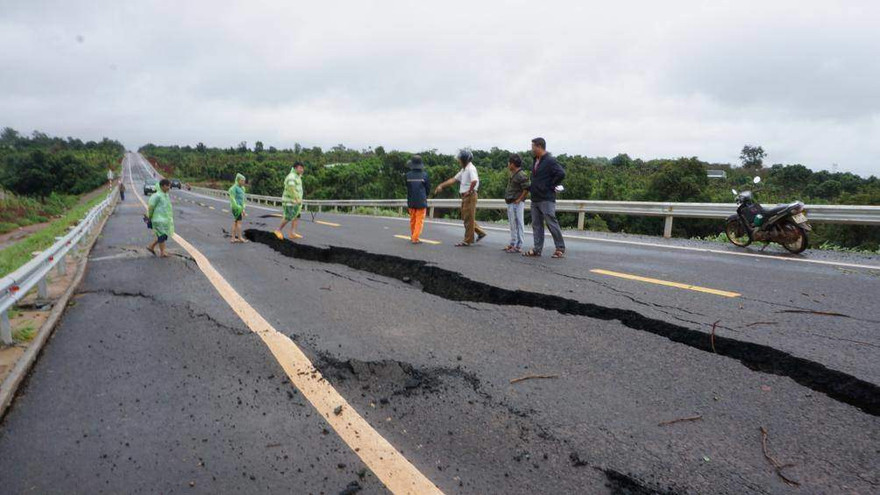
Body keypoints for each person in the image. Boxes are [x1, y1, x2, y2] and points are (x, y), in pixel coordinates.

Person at [523, 137, 566, 258]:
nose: (531, 149)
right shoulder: (536, 160)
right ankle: (537, 249)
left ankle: (560, 248)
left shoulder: (550, 160)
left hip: (546, 197)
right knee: (536, 225)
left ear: (539, 147)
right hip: (535, 197)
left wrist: (550, 185)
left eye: (533, 147)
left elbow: (561, 173)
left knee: (551, 223)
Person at [434, 149, 487, 246]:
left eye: (460, 159)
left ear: (464, 160)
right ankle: (480, 233)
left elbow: (474, 181)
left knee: (468, 218)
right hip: (466, 196)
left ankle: (467, 240)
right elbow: (453, 179)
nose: (458, 161)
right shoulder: (464, 169)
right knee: (466, 217)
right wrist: (441, 185)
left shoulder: (471, 169)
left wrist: (469, 191)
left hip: (470, 196)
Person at [504, 154, 530, 253]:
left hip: (516, 203)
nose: (508, 165)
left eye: (509, 163)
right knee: (512, 224)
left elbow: (527, 188)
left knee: (518, 223)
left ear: (513, 164)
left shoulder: (521, 174)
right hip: (511, 202)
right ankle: (512, 243)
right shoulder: (513, 173)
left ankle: (518, 245)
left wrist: (520, 199)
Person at [274, 162, 305, 240]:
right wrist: (296, 199)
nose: (302, 170)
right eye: (300, 168)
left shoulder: (297, 176)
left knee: (296, 216)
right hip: (290, 201)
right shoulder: (291, 177)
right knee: (288, 216)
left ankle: (292, 233)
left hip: (296, 201)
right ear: (295, 168)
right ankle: (278, 230)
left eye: (302, 168)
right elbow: (291, 189)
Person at [405, 155, 431, 244]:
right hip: (421, 201)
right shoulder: (425, 175)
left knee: (413, 220)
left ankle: (413, 236)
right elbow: (428, 189)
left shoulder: (407, 175)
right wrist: (425, 196)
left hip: (411, 201)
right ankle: (415, 238)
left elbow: (408, 188)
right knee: (419, 220)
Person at [147, 179, 174, 257]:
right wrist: (150, 217)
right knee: (162, 235)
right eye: (167, 186)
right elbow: (151, 207)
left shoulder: (165, 195)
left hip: (164, 219)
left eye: (169, 186)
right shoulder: (157, 196)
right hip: (158, 219)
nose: (169, 187)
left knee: (163, 235)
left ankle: (151, 246)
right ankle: (163, 252)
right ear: (162, 186)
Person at [228, 173, 248, 243]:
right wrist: (237, 207)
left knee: (235, 223)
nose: (243, 182)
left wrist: (243, 209)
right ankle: (239, 237)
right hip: (236, 208)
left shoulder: (242, 188)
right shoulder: (234, 188)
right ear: (238, 180)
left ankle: (233, 238)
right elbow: (232, 198)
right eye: (242, 181)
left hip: (240, 207)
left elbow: (243, 200)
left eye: (244, 181)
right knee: (239, 223)